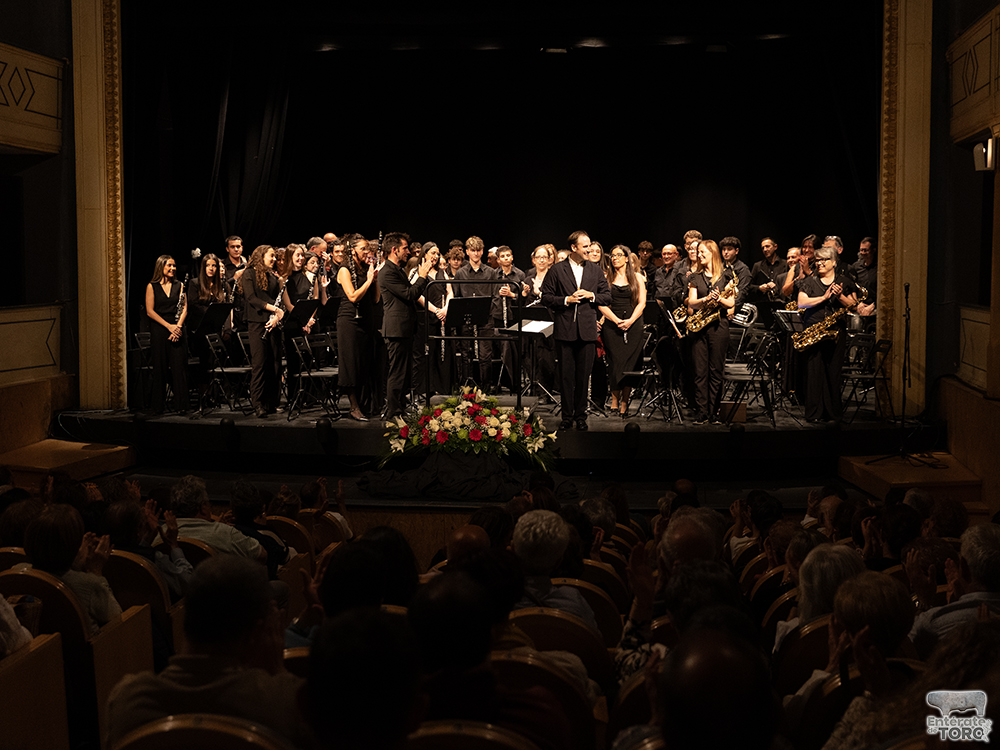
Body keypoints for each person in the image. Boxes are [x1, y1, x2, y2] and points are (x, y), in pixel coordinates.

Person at [105, 555, 314, 749]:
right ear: (257, 633)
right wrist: (278, 673)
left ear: (186, 617)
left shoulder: (127, 701)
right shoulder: (286, 702)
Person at [541, 231, 612, 431]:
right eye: (585, 246)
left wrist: (591, 295)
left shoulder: (595, 271)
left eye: (589, 245)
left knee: (583, 376)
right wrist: (565, 300)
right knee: (566, 376)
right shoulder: (557, 270)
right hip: (565, 329)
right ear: (574, 248)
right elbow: (546, 297)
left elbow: (607, 297)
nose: (589, 249)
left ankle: (581, 415)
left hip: (588, 331)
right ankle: (567, 415)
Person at [797, 245, 858, 422]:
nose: (819, 263)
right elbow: (802, 303)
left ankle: (833, 413)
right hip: (814, 331)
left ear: (834, 262)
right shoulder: (809, 281)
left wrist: (840, 297)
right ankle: (814, 412)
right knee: (814, 372)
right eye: (818, 260)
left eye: (824, 260)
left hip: (836, 333)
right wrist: (824, 298)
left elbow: (854, 306)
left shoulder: (844, 281)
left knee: (833, 372)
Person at [379, 232, 434, 420]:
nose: (408, 252)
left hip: (405, 328)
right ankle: (393, 411)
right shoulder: (387, 272)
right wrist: (422, 276)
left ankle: (400, 407)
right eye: (404, 249)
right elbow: (410, 294)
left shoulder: (397, 270)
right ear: (394, 250)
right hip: (396, 329)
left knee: (404, 372)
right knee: (397, 372)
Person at [686, 240, 735, 424]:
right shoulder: (695, 277)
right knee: (700, 371)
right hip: (700, 328)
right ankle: (702, 412)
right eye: (698, 252)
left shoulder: (726, 276)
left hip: (719, 326)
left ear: (712, 253)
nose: (699, 255)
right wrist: (706, 298)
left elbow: (731, 304)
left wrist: (720, 299)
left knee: (716, 370)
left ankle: (714, 412)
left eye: (702, 252)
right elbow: (691, 302)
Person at [598, 244, 646, 418]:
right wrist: (616, 320)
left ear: (627, 258)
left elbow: (642, 303)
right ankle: (614, 400)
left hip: (634, 324)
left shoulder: (638, 278)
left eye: (619, 255)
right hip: (612, 324)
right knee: (614, 362)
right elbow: (601, 304)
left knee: (630, 364)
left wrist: (630, 320)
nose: (615, 258)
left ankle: (625, 401)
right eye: (612, 255)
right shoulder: (605, 278)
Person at [336, 235, 379, 421]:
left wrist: (374, 279)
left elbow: (376, 299)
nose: (367, 252)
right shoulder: (344, 270)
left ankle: (366, 403)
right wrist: (369, 281)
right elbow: (353, 297)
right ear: (352, 250)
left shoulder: (364, 270)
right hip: (349, 321)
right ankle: (353, 406)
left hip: (365, 320)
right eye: (363, 249)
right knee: (351, 364)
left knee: (364, 363)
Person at [241, 245, 284, 418]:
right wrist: (273, 309)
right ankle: (257, 403)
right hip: (257, 322)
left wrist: (276, 316)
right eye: (271, 256)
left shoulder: (272, 276)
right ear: (261, 257)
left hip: (273, 322)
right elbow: (251, 298)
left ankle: (271, 402)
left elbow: (277, 300)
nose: (274, 259)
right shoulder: (249, 273)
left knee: (274, 363)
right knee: (259, 364)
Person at [144, 254, 189, 414]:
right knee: (160, 367)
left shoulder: (180, 285)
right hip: (160, 329)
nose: (172, 268)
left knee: (179, 368)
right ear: (161, 267)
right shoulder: (152, 286)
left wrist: (177, 327)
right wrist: (169, 327)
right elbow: (150, 311)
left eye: (174, 266)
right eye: (169, 265)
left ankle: (181, 406)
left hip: (177, 328)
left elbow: (184, 308)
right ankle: (158, 406)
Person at [455, 236, 496, 388]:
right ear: (467, 252)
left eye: (479, 250)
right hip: (466, 319)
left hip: (485, 318)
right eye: (473, 251)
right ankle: (467, 387)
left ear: (483, 251)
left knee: (486, 355)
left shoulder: (491, 272)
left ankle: (486, 387)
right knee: (466, 354)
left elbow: (494, 295)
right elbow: (457, 296)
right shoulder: (460, 273)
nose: (476, 254)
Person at [491, 245, 526, 391]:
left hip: (514, 317)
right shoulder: (493, 275)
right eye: (502, 256)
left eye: (508, 255)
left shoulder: (520, 275)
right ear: (498, 260)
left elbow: (524, 298)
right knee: (503, 351)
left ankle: (516, 384)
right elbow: (491, 295)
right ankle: (508, 383)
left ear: (512, 257)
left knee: (516, 352)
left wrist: (512, 295)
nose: (506, 258)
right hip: (499, 316)